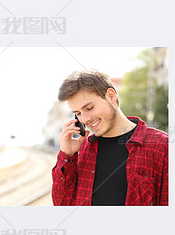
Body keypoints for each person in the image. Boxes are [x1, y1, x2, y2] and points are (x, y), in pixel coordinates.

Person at [52, 70, 168, 206]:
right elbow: (62, 205)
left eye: (89, 108)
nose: (85, 119)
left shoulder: (162, 146)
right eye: (78, 113)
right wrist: (67, 155)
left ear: (111, 96)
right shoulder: (81, 150)